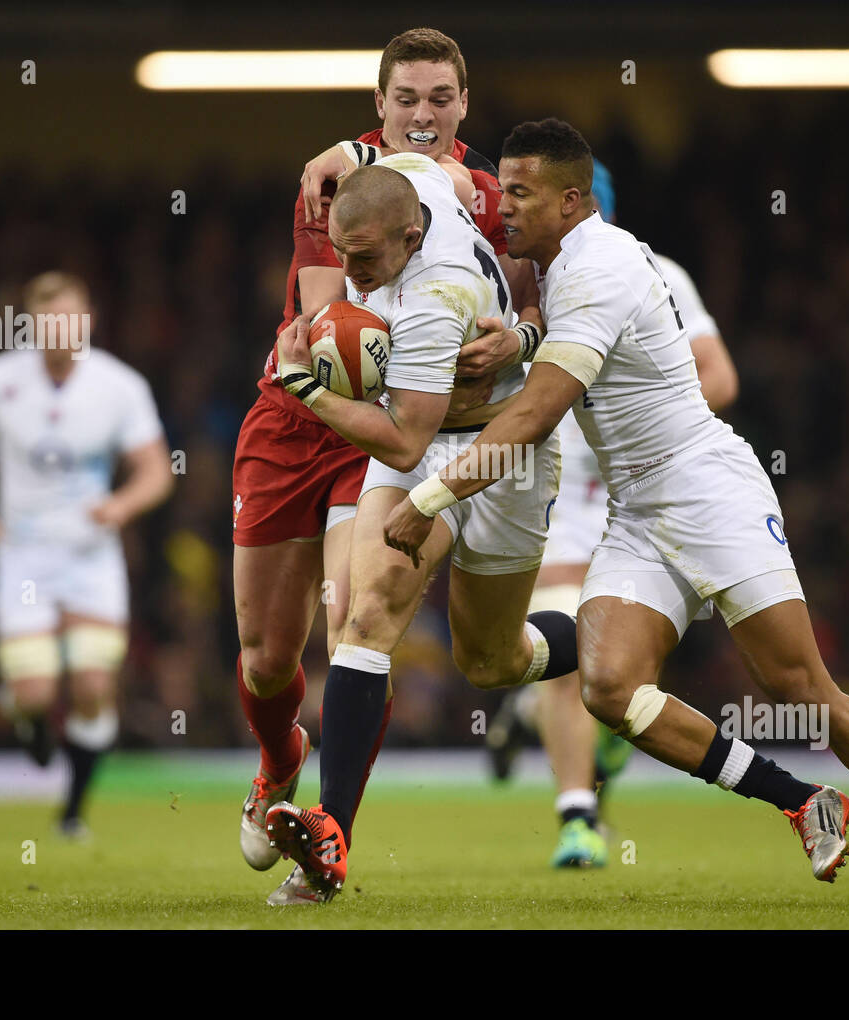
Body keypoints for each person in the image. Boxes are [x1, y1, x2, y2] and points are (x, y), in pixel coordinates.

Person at [383, 118, 849, 906]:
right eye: (504, 188)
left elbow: (534, 415)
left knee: (800, 688)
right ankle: (804, 802)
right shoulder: (561, 262)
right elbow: (543, 332)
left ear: (572, 201)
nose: (505, 206)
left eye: (522, 193)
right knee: (609, 685)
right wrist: (523, 335)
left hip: (706, 488)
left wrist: (427, 496)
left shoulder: (598, 267)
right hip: (638, 505)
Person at [233, 27, 532, 882]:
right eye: (407, 99)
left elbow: (532, 291)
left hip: (388, 431)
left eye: (440, 98)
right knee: (264, 655)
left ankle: (328, 841)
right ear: (380, 105)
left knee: (358, 624)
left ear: (464, 104)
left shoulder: (487, 192)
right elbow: (333, 331)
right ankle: (279, 761)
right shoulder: (336, 183)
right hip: (295, 417)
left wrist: (516, 338)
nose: (424, 114)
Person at [262, 152, 576, 905]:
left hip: (499, 452)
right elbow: (442, 167)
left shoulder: (437, 295)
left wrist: (303, 384)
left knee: (493, 662)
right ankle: (330, 835)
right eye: (342, 256)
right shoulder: (420, 182)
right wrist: (342, 156)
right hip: (424, 441)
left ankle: (605, 636)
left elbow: (402, 438)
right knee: (364, 616)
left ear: (410, 237)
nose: (354, 276)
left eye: (367, 260)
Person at [487, 159, 741, 868]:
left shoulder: (653, 272)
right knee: (576, 658)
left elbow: (719, 376)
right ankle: (577, 817)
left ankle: (539, 720)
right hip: (562, 498)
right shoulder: (517, 284)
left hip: (643, 493)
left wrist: (639, 415)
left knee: (623, 682)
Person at [0, 270, 172, 836]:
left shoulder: (119, 386)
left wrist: (121, 506)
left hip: (91, 556)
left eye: (71, 317)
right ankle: (31, 721)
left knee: (94, 686)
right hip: (22, 556)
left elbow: (155, 471)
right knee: (35, 693)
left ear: (88, 319)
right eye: (49, 319)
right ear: (31, 324)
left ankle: (71, 811)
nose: (61, 329)